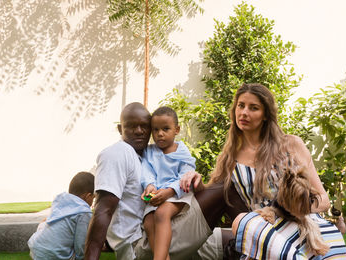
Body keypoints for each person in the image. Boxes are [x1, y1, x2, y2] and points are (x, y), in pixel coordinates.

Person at [180, 83, 346, 259]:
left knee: (244, 223)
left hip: (306, 226)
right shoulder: (230, 158)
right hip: (265, 233)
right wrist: (195, 180)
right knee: (242, 222)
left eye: (254, 108)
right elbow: (213, 197)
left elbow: (324, 200)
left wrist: (294, 209)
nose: (244, 112)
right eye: (241, 105)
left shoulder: (291, 145)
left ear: (266, 115)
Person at [85, 102, 245, 260]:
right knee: (226, 189)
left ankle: (255, 242)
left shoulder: (147, 154)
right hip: (141, 244)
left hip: (169, 226)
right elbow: (103, 210)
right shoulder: (119, 152)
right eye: (132, 126)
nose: (139, 131)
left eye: (144, 126)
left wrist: (194, 181)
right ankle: (259, 240)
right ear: (120, 129)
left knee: (232, 238)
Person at [141, 106, 196, 260]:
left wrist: (169, 191)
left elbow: (186, 176)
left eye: (166, 129)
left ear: (176, 129)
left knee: (161, 213)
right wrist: (150, 186)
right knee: (148, 221)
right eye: (155, 130)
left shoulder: (182, 151)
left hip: (177, 194)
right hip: (157, 194)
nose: (160, 134)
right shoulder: (150, 151)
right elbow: (146, 170)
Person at [28, 171, 95, 260]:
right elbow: (81, 244)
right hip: (54, 256)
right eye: (94, 198)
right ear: (88, 196)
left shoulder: (60, 201)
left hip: (36, 249)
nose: (93, 202)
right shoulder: (84, 212)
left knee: (46, 221)